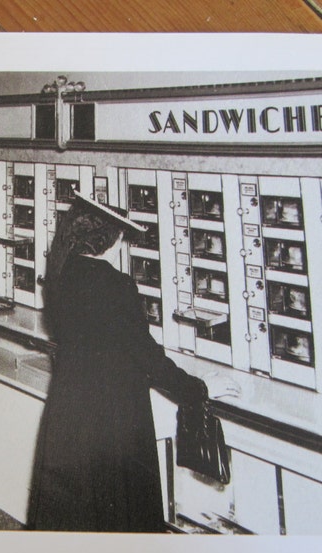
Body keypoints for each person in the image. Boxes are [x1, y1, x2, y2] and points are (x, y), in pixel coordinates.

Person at [27, 193, 240, 533]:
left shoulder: (62, 274)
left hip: (69, 410)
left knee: (77, 513)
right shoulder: (116, 284)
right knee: (119, 513)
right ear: (112, 239)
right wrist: (198, 388)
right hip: (113, 417)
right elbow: (146, 355)